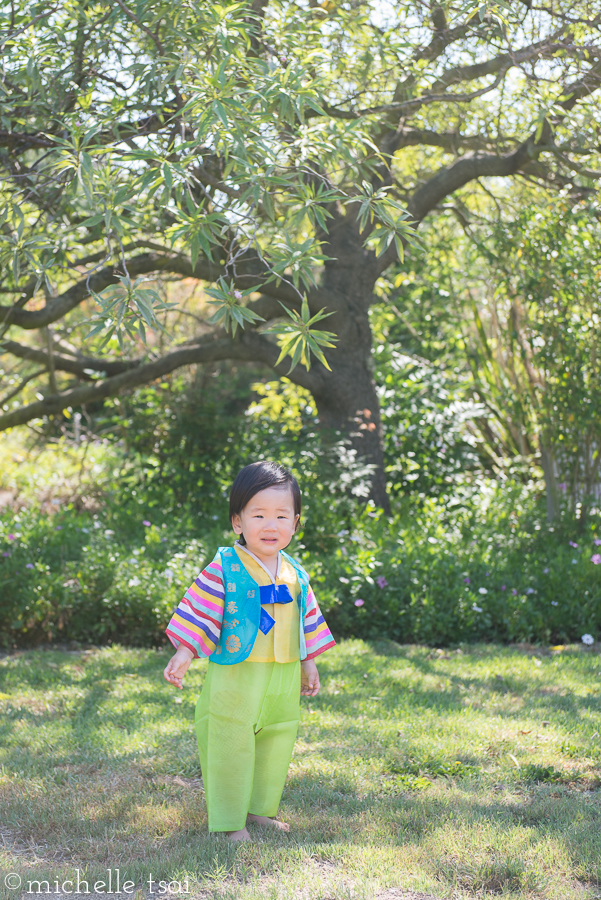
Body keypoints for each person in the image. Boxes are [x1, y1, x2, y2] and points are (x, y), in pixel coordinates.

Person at [163, 461, 335, 841]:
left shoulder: (295, 573)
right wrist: (186, 652)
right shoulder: (224, 567)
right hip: (237, 673)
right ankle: (229, 821)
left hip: (282, 673)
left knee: (277, 738)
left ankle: (259, 810)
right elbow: (203, 609)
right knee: (230, 740)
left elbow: (306, 621)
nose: (270, 525)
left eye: (281, 515)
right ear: (238, 521)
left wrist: (308, 663)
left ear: (295, 523)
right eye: (258, 514)